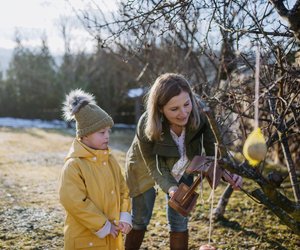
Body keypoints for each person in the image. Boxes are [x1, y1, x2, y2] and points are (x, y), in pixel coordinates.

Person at [124, 73, 242, 250]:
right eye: (174, 109)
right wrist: (171, 188)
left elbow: (215, 149)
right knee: (140, 218)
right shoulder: (145, 124)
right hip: (144, 167)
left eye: (187, 104)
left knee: (179, 220)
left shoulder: (202, 113)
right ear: (160, 109)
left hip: (183, 163)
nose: (183, 113)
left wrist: (228, 172)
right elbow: (155, 166)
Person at [59, 89, 132, 250]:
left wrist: (124, 215)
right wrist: (103, 225)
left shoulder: (110, 160)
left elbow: (123, 189)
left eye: (108, 132)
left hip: (112, 238)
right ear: (84, 136)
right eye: (101, 132)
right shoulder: (74, 165)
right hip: (86, 240)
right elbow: (74, 202)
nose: (107, 136)